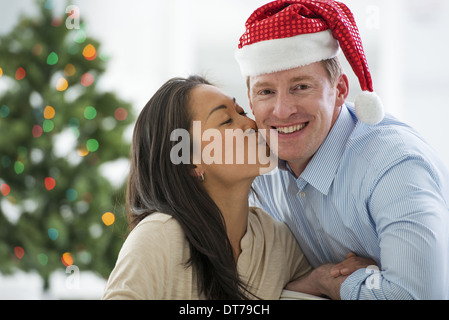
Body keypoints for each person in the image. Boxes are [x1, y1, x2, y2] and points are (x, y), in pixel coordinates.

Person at [235, 0, 449, 299]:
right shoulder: (253, 167)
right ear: (250, 98)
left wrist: (335, 285)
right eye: (266, 91)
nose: (281, 111)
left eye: (301, 87)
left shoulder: (395, 165)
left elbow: (417, 295)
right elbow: (233, 282)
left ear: (340, 91)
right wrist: (317, 282)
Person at [101, 75, 375, 300]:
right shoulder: (160, 237)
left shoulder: (275, 240)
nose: (249, 123)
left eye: (241, 111)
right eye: (226, 121)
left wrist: (320, 280)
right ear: (190, 160)